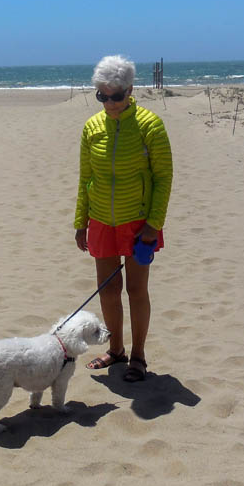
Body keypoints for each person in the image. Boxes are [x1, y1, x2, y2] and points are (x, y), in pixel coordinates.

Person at [74, 55, 173, 382]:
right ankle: (115, 349)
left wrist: (153, 224)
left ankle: (137, 355)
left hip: (137, 221)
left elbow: (163, 177)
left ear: (130, 90)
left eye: (116, 95)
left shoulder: (150, 125)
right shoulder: (91, 127)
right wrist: (81, 222)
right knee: (108, 290)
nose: (110, 103)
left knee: (136, 290)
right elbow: (85, 177)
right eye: (103, 96)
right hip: (101, 220)